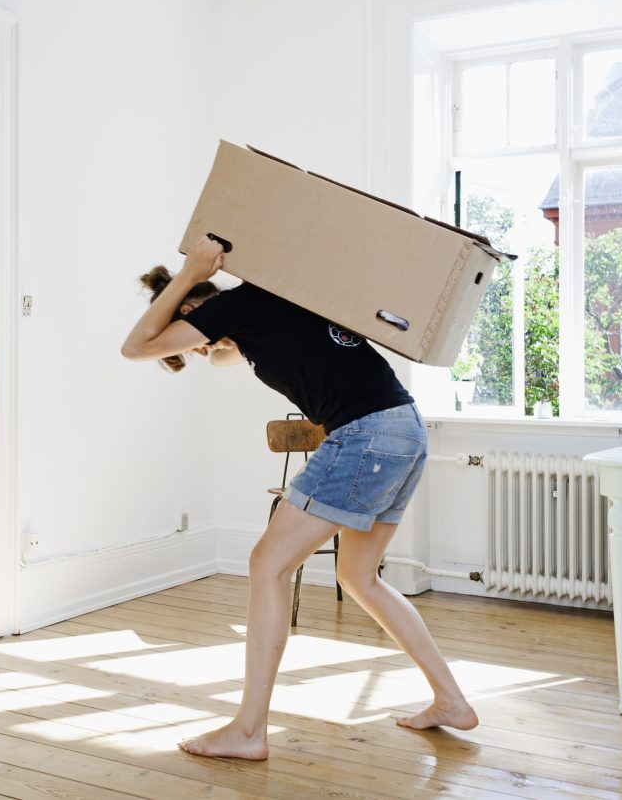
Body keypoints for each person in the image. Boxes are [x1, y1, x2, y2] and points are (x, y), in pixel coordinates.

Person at [121, 236, 478, 760]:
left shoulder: (235, 305)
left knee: (267, 565)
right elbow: (222, 357)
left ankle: (248, 730)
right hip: (403, 427)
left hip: (364, 435)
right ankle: (451, 701)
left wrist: (190, 273)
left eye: (192, 337)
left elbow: (136, 347)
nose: (197, 350)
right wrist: (208, 333)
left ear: (193, 310)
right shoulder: (271, 303)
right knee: (359, 577)